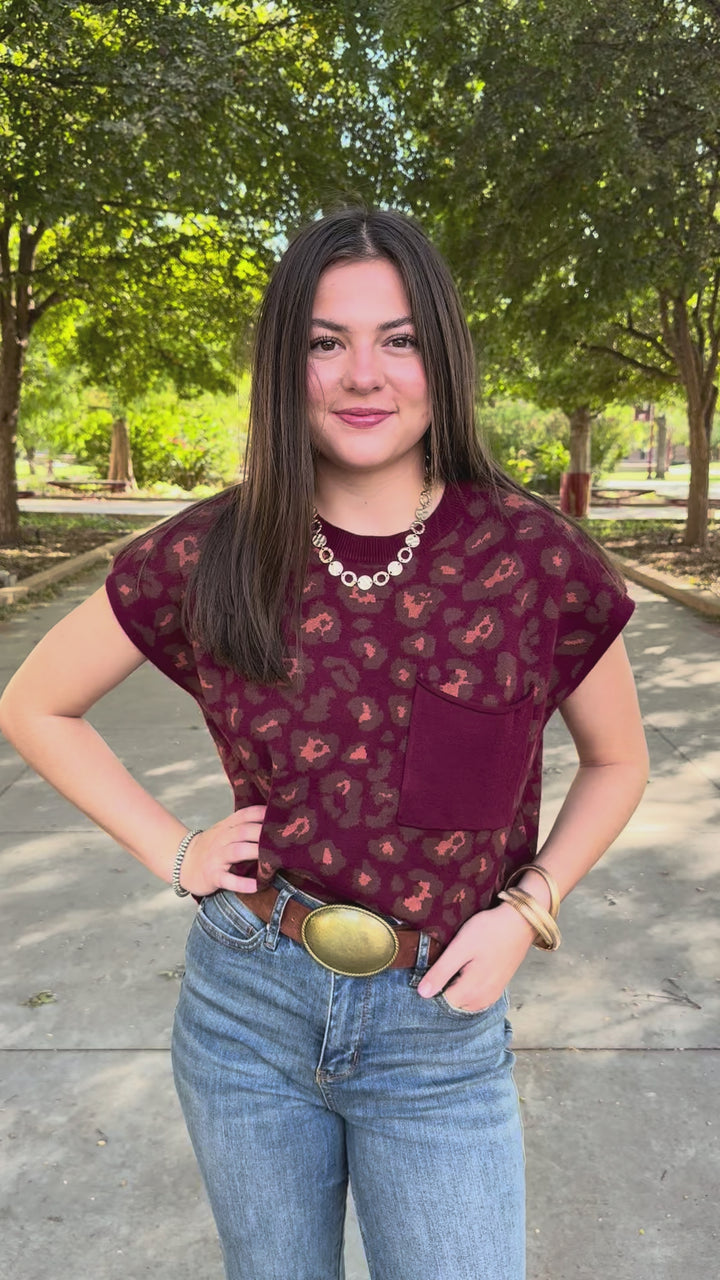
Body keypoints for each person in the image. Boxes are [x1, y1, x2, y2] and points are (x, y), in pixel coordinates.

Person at [0, 207, 649, 1280]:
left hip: (438, 1025)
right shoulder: (215, 549)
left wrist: (530, 906)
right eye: (324, 341)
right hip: (247, 1010)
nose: (362, 374)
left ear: (443, 358)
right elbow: (34, 704)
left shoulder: (535, 557)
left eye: (399, 339)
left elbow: (619, 762)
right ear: (284, 365)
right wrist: (175, 850)